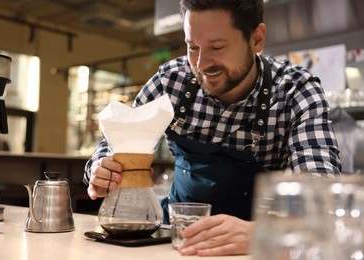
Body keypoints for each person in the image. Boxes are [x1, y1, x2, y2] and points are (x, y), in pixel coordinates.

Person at [83, 0, 342, 256]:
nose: (201, 64)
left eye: (217, 47)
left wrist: (262, 232)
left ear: (256, 39)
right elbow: (114, 144)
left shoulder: (296, 90)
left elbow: (320, 195)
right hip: (177, 242)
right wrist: (102, 169)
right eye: (192, 47)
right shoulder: (171, 81)